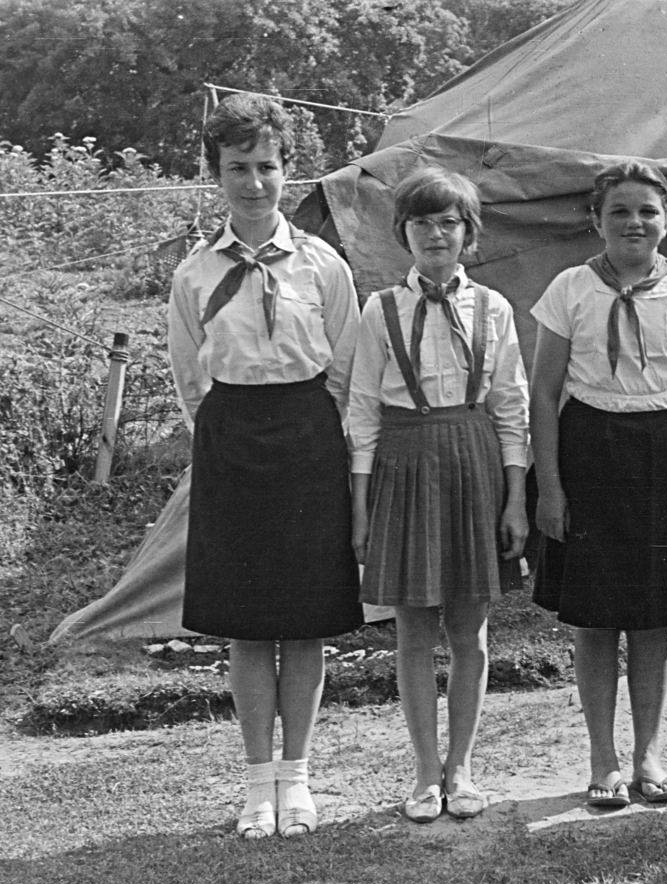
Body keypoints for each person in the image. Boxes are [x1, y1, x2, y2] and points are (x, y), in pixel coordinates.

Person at [167, 95, 361, 837]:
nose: (254, 183)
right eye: (238, 168)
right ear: (216, 174)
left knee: (306, 619)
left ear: (288, 170)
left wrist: (320, 437)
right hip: (232, 441)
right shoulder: (193, 274)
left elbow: (345, 367)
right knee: (247, 624)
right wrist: (231, 431)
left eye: (267, 167)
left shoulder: (322, 265)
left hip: (309, 437)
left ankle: (299, 780)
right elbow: (191, 379)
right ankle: (256, 785)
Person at [529, 161, 667, 809]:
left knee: (652, 616)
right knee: (594, 619)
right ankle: (602, 758)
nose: (634, 222)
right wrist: (550, 487)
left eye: (647, 210)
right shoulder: (568, 288)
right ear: (596, 219)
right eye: (619, 211)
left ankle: (649, 754)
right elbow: (544, 392)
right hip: (591, 454)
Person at [347, 167, 529, 822]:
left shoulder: (495, 309)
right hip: (404, 463)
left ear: (468, 233)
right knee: (415, 628)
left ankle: (463, 766)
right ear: (404, 234)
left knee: (471, 627)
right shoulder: (381, 310)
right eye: (421, 223)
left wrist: (515, 497)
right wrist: (361, 501)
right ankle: (425, 770)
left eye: (448, 222)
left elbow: (512, 408)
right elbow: (363, 410)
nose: (435, 235)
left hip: (473, 462)